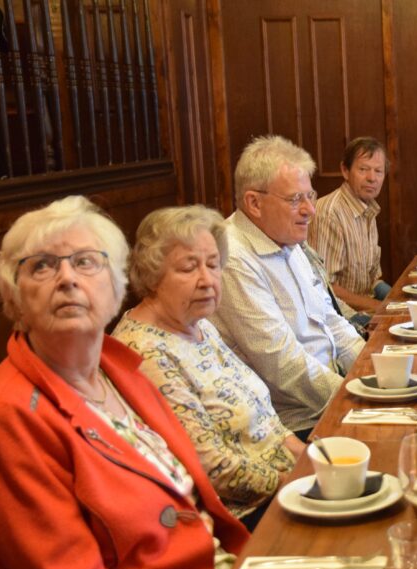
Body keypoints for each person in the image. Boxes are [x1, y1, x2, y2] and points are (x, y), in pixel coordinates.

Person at [0, 196, 249, 569]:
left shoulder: (120, 371)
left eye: (85, 262)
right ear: (13, 297)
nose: (67, 278)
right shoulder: (4, 417)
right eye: (41, 267)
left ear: (117, 285)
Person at [113, 205, 304, 529]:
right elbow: (213, 469)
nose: (207, 280)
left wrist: (312, 459)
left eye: (213, 265)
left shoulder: (198, 323)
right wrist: (300, 484)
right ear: (152, 274)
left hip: (286, 485)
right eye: (189, 268)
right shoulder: (144, 351)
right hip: (245, 515)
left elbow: (268, 420)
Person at [211, 135, 365, 437]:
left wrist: (376, 373)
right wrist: (360, 397)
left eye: (311, 196)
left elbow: (333, 323)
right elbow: (284, 367)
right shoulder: (233, 256)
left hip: (335, 394)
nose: (311, 210)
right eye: (296, 199)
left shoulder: (285, 237)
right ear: (254, 203)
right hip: (296, 423)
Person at [308, 136, 390, 316]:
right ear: (345, 170)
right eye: (363, 169)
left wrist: (395, 300)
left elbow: (373, 281)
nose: (372, 178)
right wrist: (380, 307)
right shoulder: (330, 213)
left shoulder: (369, 209)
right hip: (338, 318)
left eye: (378, 171)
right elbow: (325, 286)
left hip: (366, 311)